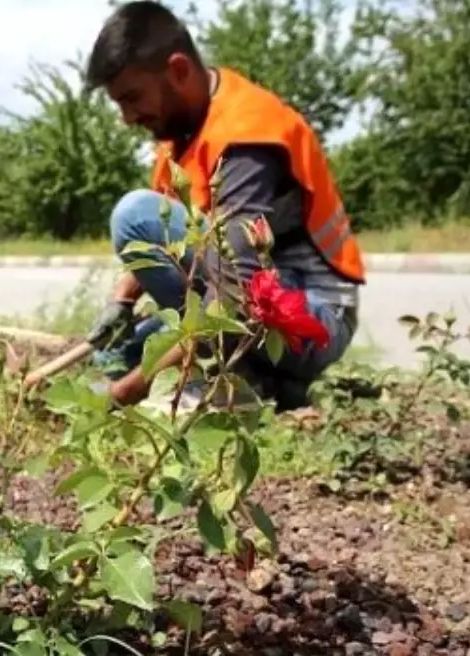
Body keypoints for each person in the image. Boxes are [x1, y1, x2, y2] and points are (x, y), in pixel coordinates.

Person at [82, 1, 366, 412]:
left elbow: (233, 292)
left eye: (132, 98)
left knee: (134, 216)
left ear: (178, 70)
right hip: (261, 307)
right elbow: (176, 244)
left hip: (315, 315)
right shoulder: (179, 136)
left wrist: (122, 395)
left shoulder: (246, 133)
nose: (127, 117)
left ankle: (225, 377)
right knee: (123, 353)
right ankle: (262, 380)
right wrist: (121, 302)